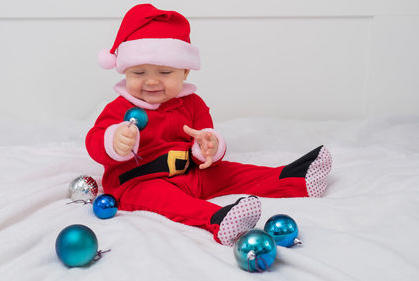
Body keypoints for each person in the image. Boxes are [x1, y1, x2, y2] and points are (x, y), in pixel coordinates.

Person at [86, 4, 332, 246]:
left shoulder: (192, 104)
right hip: (139, 182)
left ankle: (295, 178)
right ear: (124, 72)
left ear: (185, 72)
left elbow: (207, 136)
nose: (151, 81)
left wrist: (209, 145)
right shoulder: (119, 109)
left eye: (164, 72)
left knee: (233, 172)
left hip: (192, 173)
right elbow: (95, 141)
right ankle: (217, 218)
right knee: (168, 199)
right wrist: (114, 141)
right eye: (138, 73)